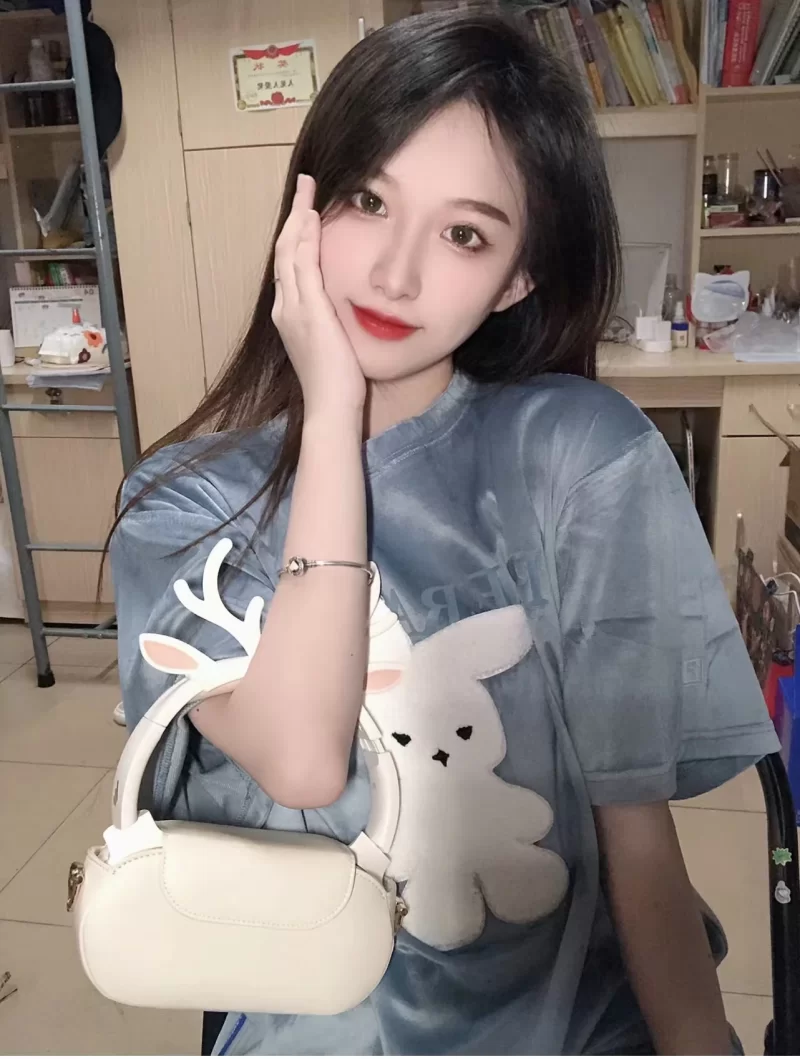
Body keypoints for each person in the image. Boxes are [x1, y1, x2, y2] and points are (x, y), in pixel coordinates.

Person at [108, 7, 778, 1056]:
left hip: (569, 1026)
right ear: (306, 207)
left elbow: (638, 839)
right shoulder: (185, 504)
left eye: (464, 234)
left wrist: (702, 1043)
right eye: (369, 201)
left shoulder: (576, 457)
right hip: (319, 1023)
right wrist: (333, 417)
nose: (394, 273)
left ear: (517, 277)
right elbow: (301, 761)